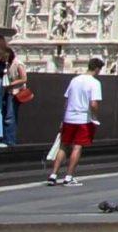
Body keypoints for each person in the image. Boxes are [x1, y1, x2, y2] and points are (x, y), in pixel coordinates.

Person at [44, 57, 107, 186]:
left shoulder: (74, 80)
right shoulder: (95, 83)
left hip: (69, 118)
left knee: (63, 146)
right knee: (77, 147)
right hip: (83, 119)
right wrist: (95, 116)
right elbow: (94, 104)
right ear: (97, 69)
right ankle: (69, 176)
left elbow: (66, 101)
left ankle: (53, 174)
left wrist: (64, 118)